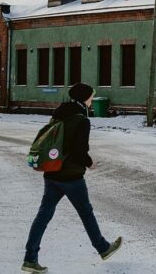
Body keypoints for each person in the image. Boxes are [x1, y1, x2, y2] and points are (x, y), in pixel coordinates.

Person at [22, 83, 122, 273]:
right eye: (91, 96)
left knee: (43, 215)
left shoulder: (59, 113)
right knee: (86, 213)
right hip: (71, 177)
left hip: (52, 173)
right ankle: (103, 248)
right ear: (85, 98)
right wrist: (90, 163)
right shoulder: (81, 120)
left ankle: (30, 258)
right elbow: (79, 151)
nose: (92, 100)